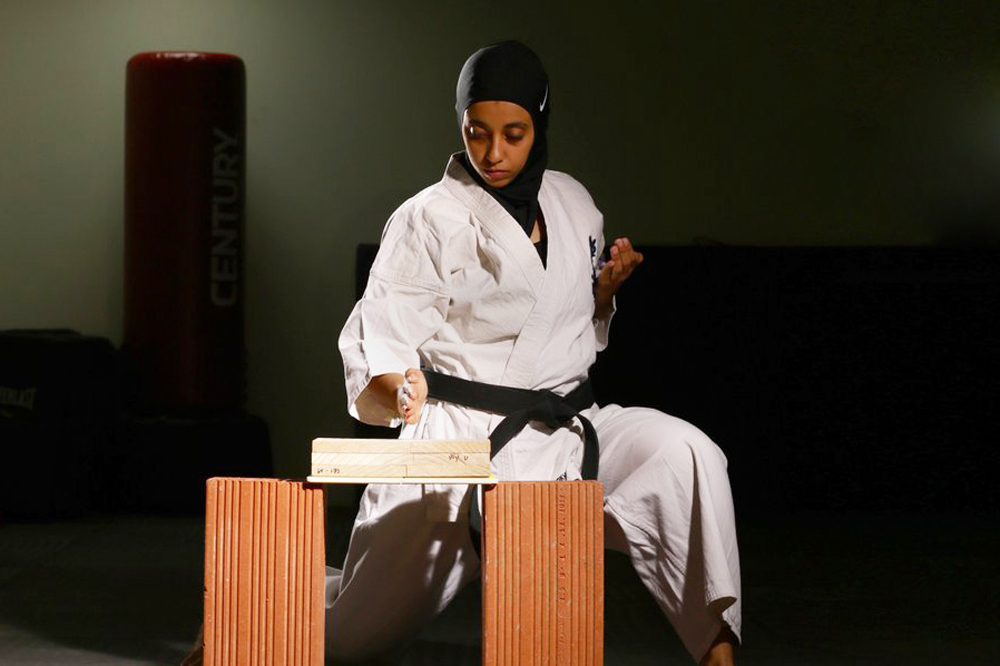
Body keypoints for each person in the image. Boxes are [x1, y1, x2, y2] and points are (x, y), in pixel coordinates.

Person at [329, 40, 741, 666]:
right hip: (459, 449)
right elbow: (379, 335)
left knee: (686, 453)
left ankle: (718, 653)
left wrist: (600, 295)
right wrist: (397, 389)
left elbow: (563, 326)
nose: (493, 153)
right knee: (346, 640)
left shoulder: (574, 204)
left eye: (514, 134)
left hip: (566, 431)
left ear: (540, 124)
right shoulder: (428, 219)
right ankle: (254, 618)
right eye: (477, 132)